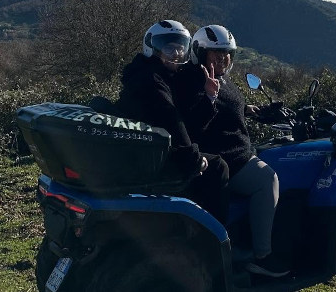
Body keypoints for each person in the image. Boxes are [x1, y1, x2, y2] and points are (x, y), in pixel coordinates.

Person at [172, 24, 289, 278]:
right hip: (226, 157)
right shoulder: (192, 79)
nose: (223, 60)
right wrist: (209, 97)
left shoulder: (216, 77)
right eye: (216, 55)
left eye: (227, 54)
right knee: (268, 179)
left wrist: (251, 110)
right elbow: (193, 121)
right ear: (199, 53)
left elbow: (227, 104)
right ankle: (263, 256)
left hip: (236, 150)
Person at [115, 20, 230, 223]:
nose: (176, 53)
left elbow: (178, 122)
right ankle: (213, 236)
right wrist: (193, 158)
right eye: (169, 47)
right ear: (153, 48)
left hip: (143, 149)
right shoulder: (153, 82)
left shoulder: (147, 73)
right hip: (151, 160)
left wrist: (210, 97)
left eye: (180, 47)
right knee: (218, 167)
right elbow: (171, 120)